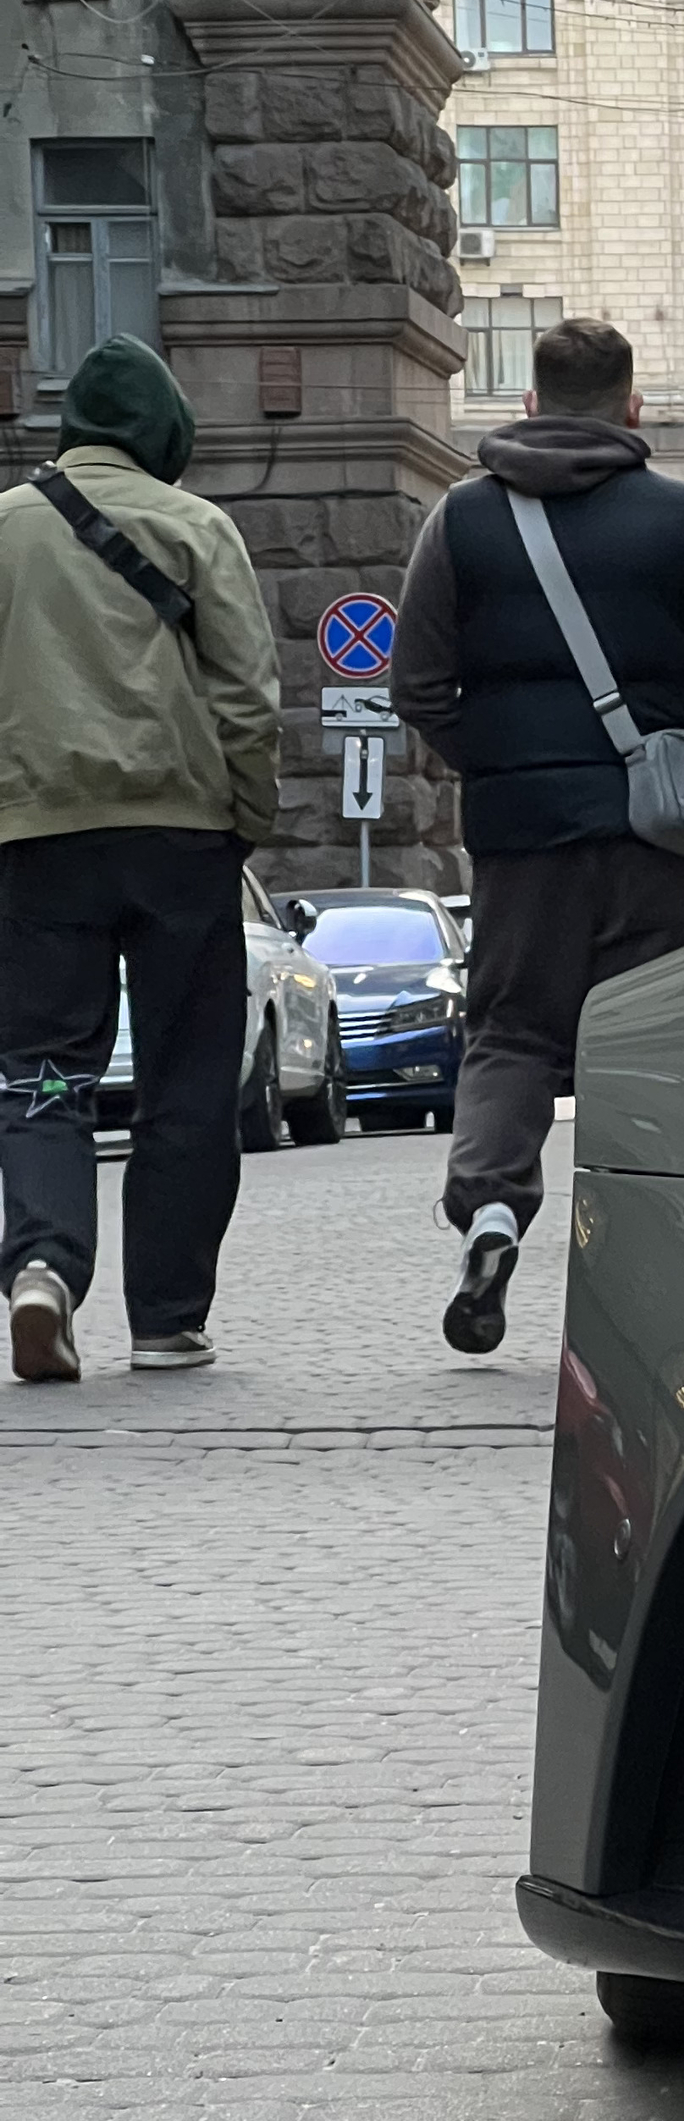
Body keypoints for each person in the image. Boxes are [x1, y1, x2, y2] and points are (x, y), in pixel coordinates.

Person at [390, 315, 684, 1355]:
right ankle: (653, 1268)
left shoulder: (459, 522)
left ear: (527, 403)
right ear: (632, 406)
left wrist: (498, 760)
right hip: (658, 840)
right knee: (659, 1048)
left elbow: (416, 682)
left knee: (512, 1032)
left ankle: (488, 1212)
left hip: (521, 838)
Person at [0, 335, 283, 1384]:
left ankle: (41, 1263)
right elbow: (249, 698)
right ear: (167, 435)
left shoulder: (7, 526)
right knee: (189, 1079)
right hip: (180, 836)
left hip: (40, 837)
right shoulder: (200, 526)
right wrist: (245, 815)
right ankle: (166, 1317)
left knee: (42, 1069)